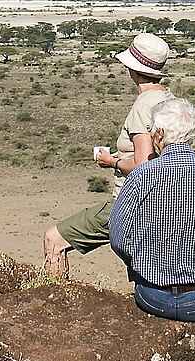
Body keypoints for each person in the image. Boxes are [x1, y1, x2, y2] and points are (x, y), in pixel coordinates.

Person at [109, 97, 195, 336]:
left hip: (152, 295)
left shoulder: (141, 175)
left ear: (159, 134)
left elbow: (118, 239)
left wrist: (141, 262)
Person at [42, 32, 173, 281]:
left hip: (132, 202)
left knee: (54, 239)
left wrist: (111, 161)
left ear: (132, 69)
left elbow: (143, 166)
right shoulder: (170, 99)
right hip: (163, 201)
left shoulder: (143, 105)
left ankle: (54, 296)